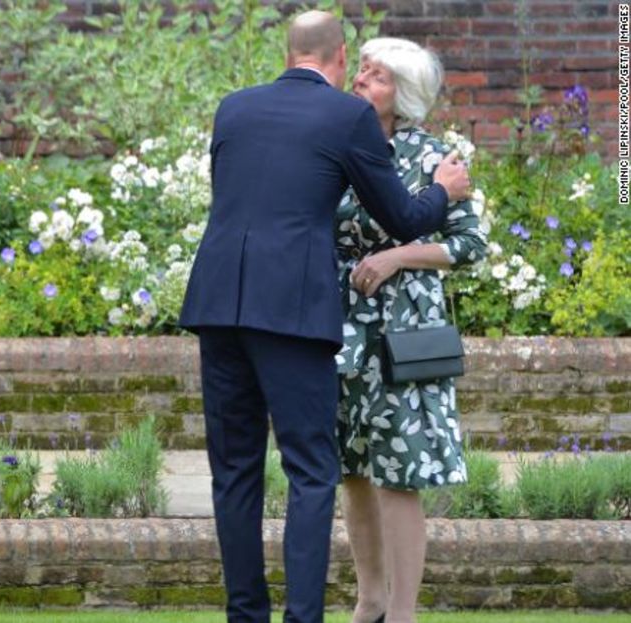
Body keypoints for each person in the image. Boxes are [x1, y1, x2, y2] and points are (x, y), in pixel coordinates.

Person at [177, 11, 471, 623]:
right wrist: (444, 190)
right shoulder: (348, 116)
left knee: (233, 472)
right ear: (338, 56)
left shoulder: (234, 107)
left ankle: (245, 616)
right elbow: (403, 218)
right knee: (312, 471)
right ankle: (303, 618)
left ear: (290, 52)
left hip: (219, 303)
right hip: (292, 310)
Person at [335, 38, 487, 623]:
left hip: (404, 336)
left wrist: (398, 257)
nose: (362, 77)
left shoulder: (433, 158)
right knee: (352, 471)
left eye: (377, 75)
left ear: (406, 97)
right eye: (363, 68)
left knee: (400, 474)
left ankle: (403, 612)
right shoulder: (340, 149)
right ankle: (369, 599)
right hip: (346, 334)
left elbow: (470, 245)